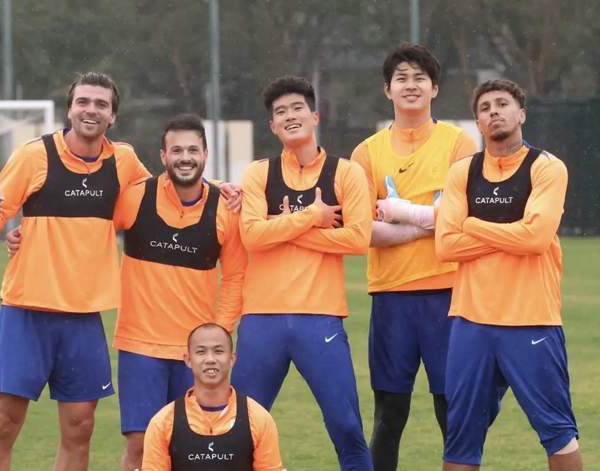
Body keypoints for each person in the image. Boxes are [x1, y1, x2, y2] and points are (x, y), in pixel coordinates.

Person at [0, 72, 151, 471]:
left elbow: (163, 194)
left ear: (112, 116)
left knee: (80, 426)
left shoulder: (124, 161)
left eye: (101, 104)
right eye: (83, 102)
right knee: (4, 423)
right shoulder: (33, 155)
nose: (91, 110)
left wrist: (220, 189)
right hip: (25, 312)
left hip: (83, 317)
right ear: (69, 110)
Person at [436, 79, 583, 470]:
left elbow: (535, 238)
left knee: (557, 431)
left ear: (521, 114)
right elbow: (445, 246)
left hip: (531, 319)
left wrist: (472, 224)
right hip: (471, 322)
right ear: (478, 123)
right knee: (460, 436)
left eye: (502, 104)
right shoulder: (463, 172)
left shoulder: (547, 167)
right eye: (484, 108)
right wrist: (512, 233)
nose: (494, 112)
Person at [230, 75, 373, 470]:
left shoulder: (346, 173)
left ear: (315, 116)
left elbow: (358, 239)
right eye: (281, 112)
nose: (290, 116)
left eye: (297, 108)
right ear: (272, 126)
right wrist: (312, 216)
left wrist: (283, 229)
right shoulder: (258, 173)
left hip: (320, 318)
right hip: (262, 319)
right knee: (239, 430)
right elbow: (252, 236)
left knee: (347, 427)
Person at [350, 43, 478, 470]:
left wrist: (401, 214)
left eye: (419, 78)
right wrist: (427, 222)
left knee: (451, 412)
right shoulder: (366, 153)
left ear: (434, 88)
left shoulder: (458, 144)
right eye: (401, 78)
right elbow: (363, 230)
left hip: (449, 294)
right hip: (391, 297)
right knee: (389, 414)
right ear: (387, 89)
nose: (411, 85)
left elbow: (462, 218)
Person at [112, 114, 247, 470]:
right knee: (140, 444)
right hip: (140, 345)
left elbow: (235, 276)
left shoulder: (225, 206)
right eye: (176, 150)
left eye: (192, 150)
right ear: (163, 155)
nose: (184, 157)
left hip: (194, 351)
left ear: (205, 154)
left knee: (189, 447)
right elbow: (88, 229)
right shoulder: (136, 197)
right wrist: (22, 238)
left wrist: (217, 335)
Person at [141, 323, 284, 470]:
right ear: (188, 360)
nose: (210, 359)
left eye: (218, 351)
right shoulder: (163, 422)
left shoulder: (259, 419)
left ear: (232, 359)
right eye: (201, 352)